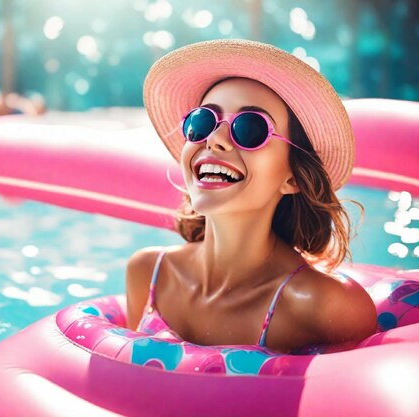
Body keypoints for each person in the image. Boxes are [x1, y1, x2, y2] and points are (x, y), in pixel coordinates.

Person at [126, 39, 377, 354]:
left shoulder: (325, 306)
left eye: (250, 129)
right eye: (202, 121)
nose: (215, 139)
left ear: (293, 178)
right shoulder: (148, 273)